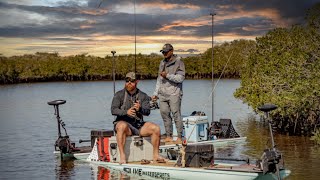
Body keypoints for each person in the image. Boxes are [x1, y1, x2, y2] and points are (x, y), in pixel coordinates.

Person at [111, 72, 164, 164]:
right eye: (127, 81)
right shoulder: (118, 94)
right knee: (121, 126)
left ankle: (156, 155)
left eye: (132, 81)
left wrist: (139, 109)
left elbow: (147, 112)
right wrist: (126, 112)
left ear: (136, 82)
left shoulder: (143, 95)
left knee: (156, 128)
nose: (129, 83)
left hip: (138, 125)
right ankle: (122, 156)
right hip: (124, 125)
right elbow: (113, 110)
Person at [152, 43, 185, 144]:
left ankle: (179, 137)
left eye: (166, 52)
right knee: (165, 114)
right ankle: (169, 136)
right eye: (163, 52)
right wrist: (155, 93)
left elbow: (180, 78)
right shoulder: (162, 63)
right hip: (162, 94)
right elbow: (159, 79)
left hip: (174, 93)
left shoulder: (179, 62)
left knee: (176, 114)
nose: (164, 54)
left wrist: (168, 75)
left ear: (171, 51)